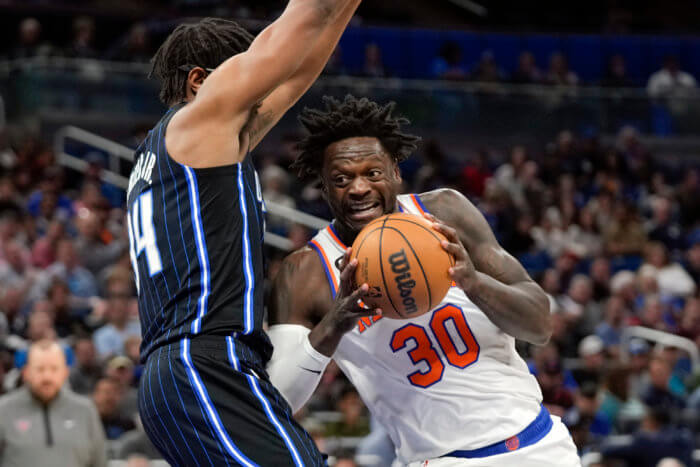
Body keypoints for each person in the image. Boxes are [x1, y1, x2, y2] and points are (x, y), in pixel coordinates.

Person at [267, 95, 580, 466]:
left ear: (396, 172)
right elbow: (275, 400)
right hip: (438, 459)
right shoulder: (306, 272)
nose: (358, 188)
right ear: (323, 185)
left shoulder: (444, 212)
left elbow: (540, 325)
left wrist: (475, 283)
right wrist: (334, 325)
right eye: (341, 179)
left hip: (539, 447)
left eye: (372, 173)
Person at [127, 3, 361, 465]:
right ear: (200, 82)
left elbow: (298, 71)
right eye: (248, 78)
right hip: (202, 362)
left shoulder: (187, 151)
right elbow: (299, 25)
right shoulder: (196, 124)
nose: (263, 96)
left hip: (183, 371)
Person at [0, 340, 106, 467]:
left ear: (65, 372)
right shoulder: (3, 409)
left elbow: (100, 462)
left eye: (54, 368)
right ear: (26, 373)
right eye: (40, 369)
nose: (47, 377)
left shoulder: (85, 410)